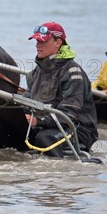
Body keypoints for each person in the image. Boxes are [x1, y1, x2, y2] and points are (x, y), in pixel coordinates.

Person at [24, 22, 98, 157]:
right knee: (1, 133)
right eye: (36, 41)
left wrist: (38, 121)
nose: (37, 46)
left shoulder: (72, 71)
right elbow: (26, 103)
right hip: (47, 125)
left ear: (58, 42)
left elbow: (69, 113)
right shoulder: (35, 73)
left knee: (45, 138)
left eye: (42, 42)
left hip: (77, 128)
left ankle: (57, 176)